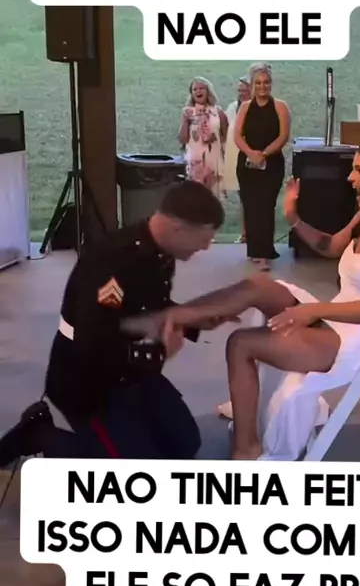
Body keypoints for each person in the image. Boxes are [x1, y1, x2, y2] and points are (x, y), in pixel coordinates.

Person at [125, 138, 360, 460]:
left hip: (359, 340)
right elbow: (329, 246)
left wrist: (313, 310)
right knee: (258, 286)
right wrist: (293, 217)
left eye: (359, 170)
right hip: (334, 315)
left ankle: (246, 449)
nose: (351, 178)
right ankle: (176, 316)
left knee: (241, 344)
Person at [0, 181, 228, 467]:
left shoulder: (158, 254)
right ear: (177, 229)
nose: (206, 246)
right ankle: (40, 434)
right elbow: (90, 342)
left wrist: (195, 321)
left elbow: (145, 306)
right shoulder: (111, 262)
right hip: (91, 385)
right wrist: (158, 352)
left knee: (186, 442)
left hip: (133, 374)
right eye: (204, 238)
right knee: (137, 473)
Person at [235, 63, 290, 270]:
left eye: (266, 82)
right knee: (250, 205)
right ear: (252, 85)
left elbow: (283, 136)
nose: (262, 86)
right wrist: (251, 154)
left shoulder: (280, 107)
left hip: (272, 163)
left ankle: (265, 253)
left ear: (271, 84)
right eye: (258, 83)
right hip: (247, 163)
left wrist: (264, 154)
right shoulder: (245, 107)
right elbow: (237, 135)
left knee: (266, 206)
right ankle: (254, 251)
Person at [179, 77, 229, 199]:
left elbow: (225, 137)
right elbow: (182, 139)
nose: (198, 91)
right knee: (195, 198)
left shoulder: (218, 112)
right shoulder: (188, 112)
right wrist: (185, 120)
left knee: (214, 198)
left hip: (214, 160)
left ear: (208, 91)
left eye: (201, 88)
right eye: (195, 89)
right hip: (195, 161)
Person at [223, 76, 251, 243]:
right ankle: (245, 234)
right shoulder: (233, 108)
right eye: (239, 91)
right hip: (236, 157)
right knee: (244, 196)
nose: (241, 94)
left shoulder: (257, 109)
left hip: (253, 157)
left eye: (245, 91)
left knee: (253, 197)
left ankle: (255, 234)